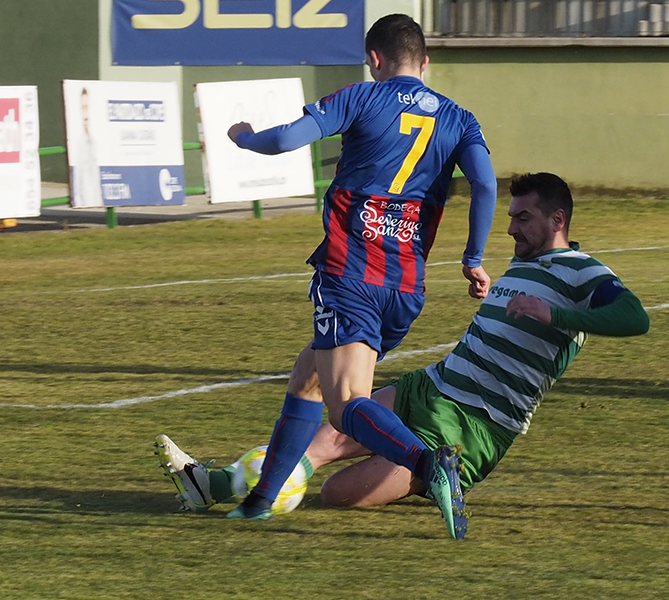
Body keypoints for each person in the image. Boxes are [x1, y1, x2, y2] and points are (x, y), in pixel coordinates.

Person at [154, 173, 650, 538]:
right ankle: (214, 485)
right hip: (431, 386)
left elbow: (635, 317)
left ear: (557, 220)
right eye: (510, 218)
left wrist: (554, 314)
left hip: (475, 428)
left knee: (337, 494)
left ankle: (436, 474)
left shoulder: (581, 271)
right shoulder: (523, 265)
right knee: (327, 436)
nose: (511, 229)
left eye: (523, 218)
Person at [219, 14, 498, 536]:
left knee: (347, 404)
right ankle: (260, 499)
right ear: (425, 62)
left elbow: (286, 140)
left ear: (374, 59)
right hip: (406, 285)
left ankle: (428, 463)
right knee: (308, 379)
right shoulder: (460, 118)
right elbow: (484, 184)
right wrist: (472, 257)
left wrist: (246, 138)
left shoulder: (362, 97)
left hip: (351, 273)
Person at [70, 86, 103, 207]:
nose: (86, 115)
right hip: (87, 202)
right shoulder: (78, 143)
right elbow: (78, 183)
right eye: (83, 108)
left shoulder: (95, 139)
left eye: (87, 108)